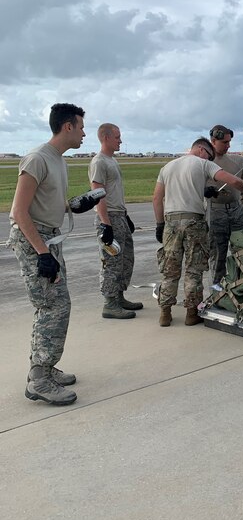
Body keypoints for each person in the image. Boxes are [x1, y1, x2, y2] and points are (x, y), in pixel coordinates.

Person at [8, 103, 86, 406]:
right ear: (67, 126)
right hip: (35, 240)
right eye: (81, 127)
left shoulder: (58, 160)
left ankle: (45, 367)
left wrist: (71, 206)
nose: (83, 133)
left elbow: (47, 200)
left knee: (55, 304)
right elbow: (18, 211)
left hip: (49, 239)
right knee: (53, 306)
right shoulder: (38, 159)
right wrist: (42, 253)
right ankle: (40, 377)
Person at [153, 137, 243, 327]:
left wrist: (159, 224)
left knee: (170, 271)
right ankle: (191, 313)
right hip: (194, 222)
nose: (210, 160)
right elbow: (233, 180)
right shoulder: (204, 164)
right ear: (203, 150)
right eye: (210, 156)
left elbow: (156, 198)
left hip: (171, 222)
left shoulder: (167, 167)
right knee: (193, 270)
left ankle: (165, 313)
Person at [89, 123, 143, 320]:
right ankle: (110, 303)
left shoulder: (112, 161)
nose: (120, 140)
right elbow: (98, 194)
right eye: (117, 137)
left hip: (119, 215)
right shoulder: (99, 162)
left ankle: (119, 296)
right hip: (109, 217)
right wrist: (106, 224)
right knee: (112, 261)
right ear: (106, 138)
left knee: (125, 259)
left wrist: (125, 216)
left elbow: (114, 193)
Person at [206, 125, 243, 286]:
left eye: (229, 142)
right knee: (218, 253)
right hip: (215, 212)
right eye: (224, 142)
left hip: (236, 210)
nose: (228, 146)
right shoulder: (204, 163)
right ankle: (216, 289)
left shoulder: (237, 160)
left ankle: (241, 286)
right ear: (213, 141)